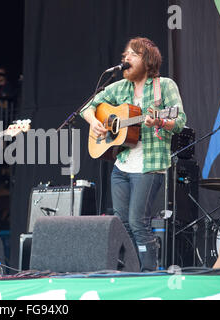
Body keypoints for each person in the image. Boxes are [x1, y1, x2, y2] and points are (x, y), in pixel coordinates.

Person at [80, 37, 187, 271]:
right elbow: (87, 108)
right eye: (124, 56)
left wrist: (159, 119)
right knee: (123, 223)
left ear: (147, 60)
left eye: (131, 55)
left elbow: (179, 121)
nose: (125, 59)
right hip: (122, 165)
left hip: (149, 166)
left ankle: (149, 273)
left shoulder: (164, 85)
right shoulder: (120, 87)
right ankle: (132, 271)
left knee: (139, 222)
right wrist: (95, 123)